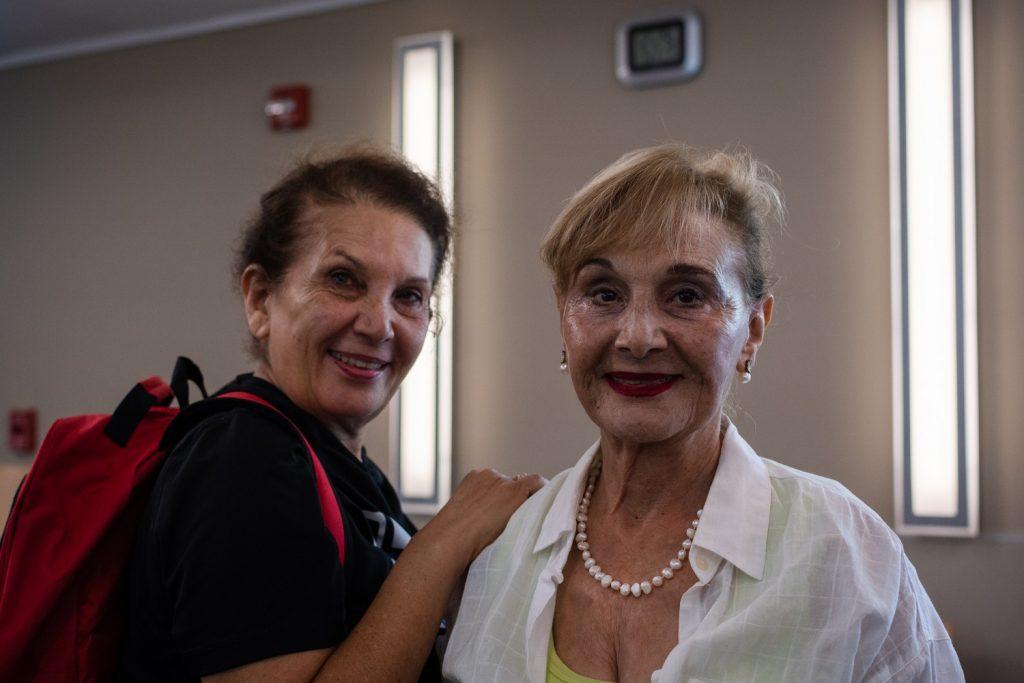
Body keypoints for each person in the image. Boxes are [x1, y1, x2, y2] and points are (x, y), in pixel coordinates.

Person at [442, 144, 964, 682]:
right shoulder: (499, 554)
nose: (638, 337)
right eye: (603, 294)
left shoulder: (845, 551)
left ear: (753, 331)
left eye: (687, 295)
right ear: (562, 316)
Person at [119, 148, 542, 681]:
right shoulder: (244, 459)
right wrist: (445, 541)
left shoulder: (343, 470)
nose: (379, 324)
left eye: (408, 296)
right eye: (344, 279)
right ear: (260, 299)